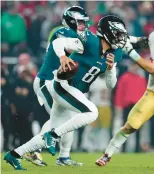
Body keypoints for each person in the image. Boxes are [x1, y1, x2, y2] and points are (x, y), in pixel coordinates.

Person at [4, 14, 127, 170]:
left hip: (74, 90)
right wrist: (63, 57)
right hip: (63, 85)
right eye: (118, 33)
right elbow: (58, 42)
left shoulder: (116, 54)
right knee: (92, 113)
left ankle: (14, 155)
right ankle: (53, 136)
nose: (121, 38)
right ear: (107, 32)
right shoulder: (89, 41)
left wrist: (110, 70)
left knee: (53, 128)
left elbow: (111, 85)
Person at [96, 17, 154, 167]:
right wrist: (121, 38)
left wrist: (130, 52)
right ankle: (107, 155)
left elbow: (152, 68)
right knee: (129, 126)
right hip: (152, 93)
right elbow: (140, 41)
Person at [20, 6, 90, 167]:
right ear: (70, 21)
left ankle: (63, 157)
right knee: (60, 119)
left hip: (58, 81)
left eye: (84, 22)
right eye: (80, 22)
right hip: (47, 80)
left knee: (69, 119)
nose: (83, 26)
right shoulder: (62, 32)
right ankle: (34, 151)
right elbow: (77, 47)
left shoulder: (76, 35)